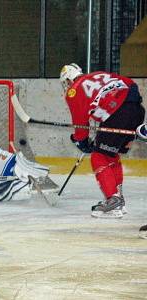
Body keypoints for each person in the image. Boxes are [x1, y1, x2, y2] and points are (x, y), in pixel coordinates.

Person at [60, 63, 145, 218]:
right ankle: (118, 200)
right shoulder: (97, 75)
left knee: (98, 157)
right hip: (137, 110)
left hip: (118, 113)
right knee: (110, 155)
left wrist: (81, 142)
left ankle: (113, 201)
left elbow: (80, 123)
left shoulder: (74, 91)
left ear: (68, 80)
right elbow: (130, 85)